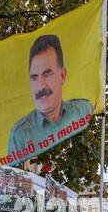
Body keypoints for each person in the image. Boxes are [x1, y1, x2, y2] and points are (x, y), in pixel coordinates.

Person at [7, 35, 93, 163]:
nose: (40, 86)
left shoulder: (83, 110)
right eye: (34, 77)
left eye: (47, 74)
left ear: (62, 75)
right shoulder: (20, 135)